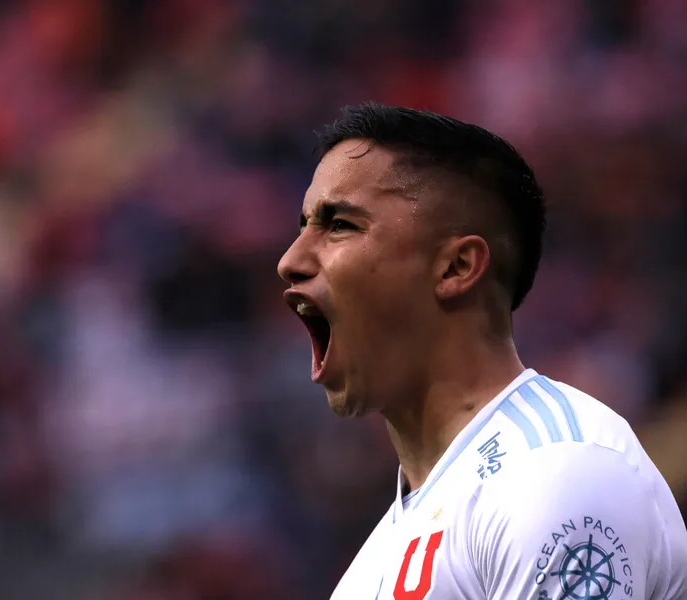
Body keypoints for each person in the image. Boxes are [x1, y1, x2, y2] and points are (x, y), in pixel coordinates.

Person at [277, 103, 687, 600]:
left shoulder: (555, 471)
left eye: (339, 224)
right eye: (304, 226)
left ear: (457, 267)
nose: (290, 260)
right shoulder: (377, 559)